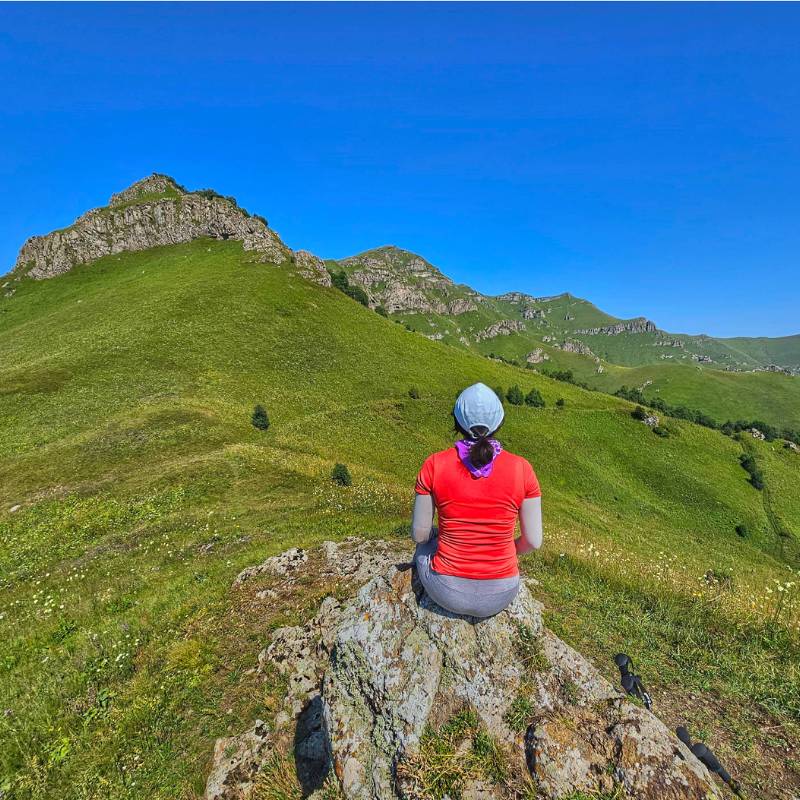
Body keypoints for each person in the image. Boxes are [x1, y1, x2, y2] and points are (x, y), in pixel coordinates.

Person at [412, 382, 543, 618]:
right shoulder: (522, 469)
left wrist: (437, 536)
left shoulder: (434, 464)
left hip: (447, 591)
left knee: (424, 548)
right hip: (502, 592)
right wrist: (504, 550)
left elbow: (419, 536)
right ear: (500, 422)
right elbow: (533, 541)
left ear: (457, 422)